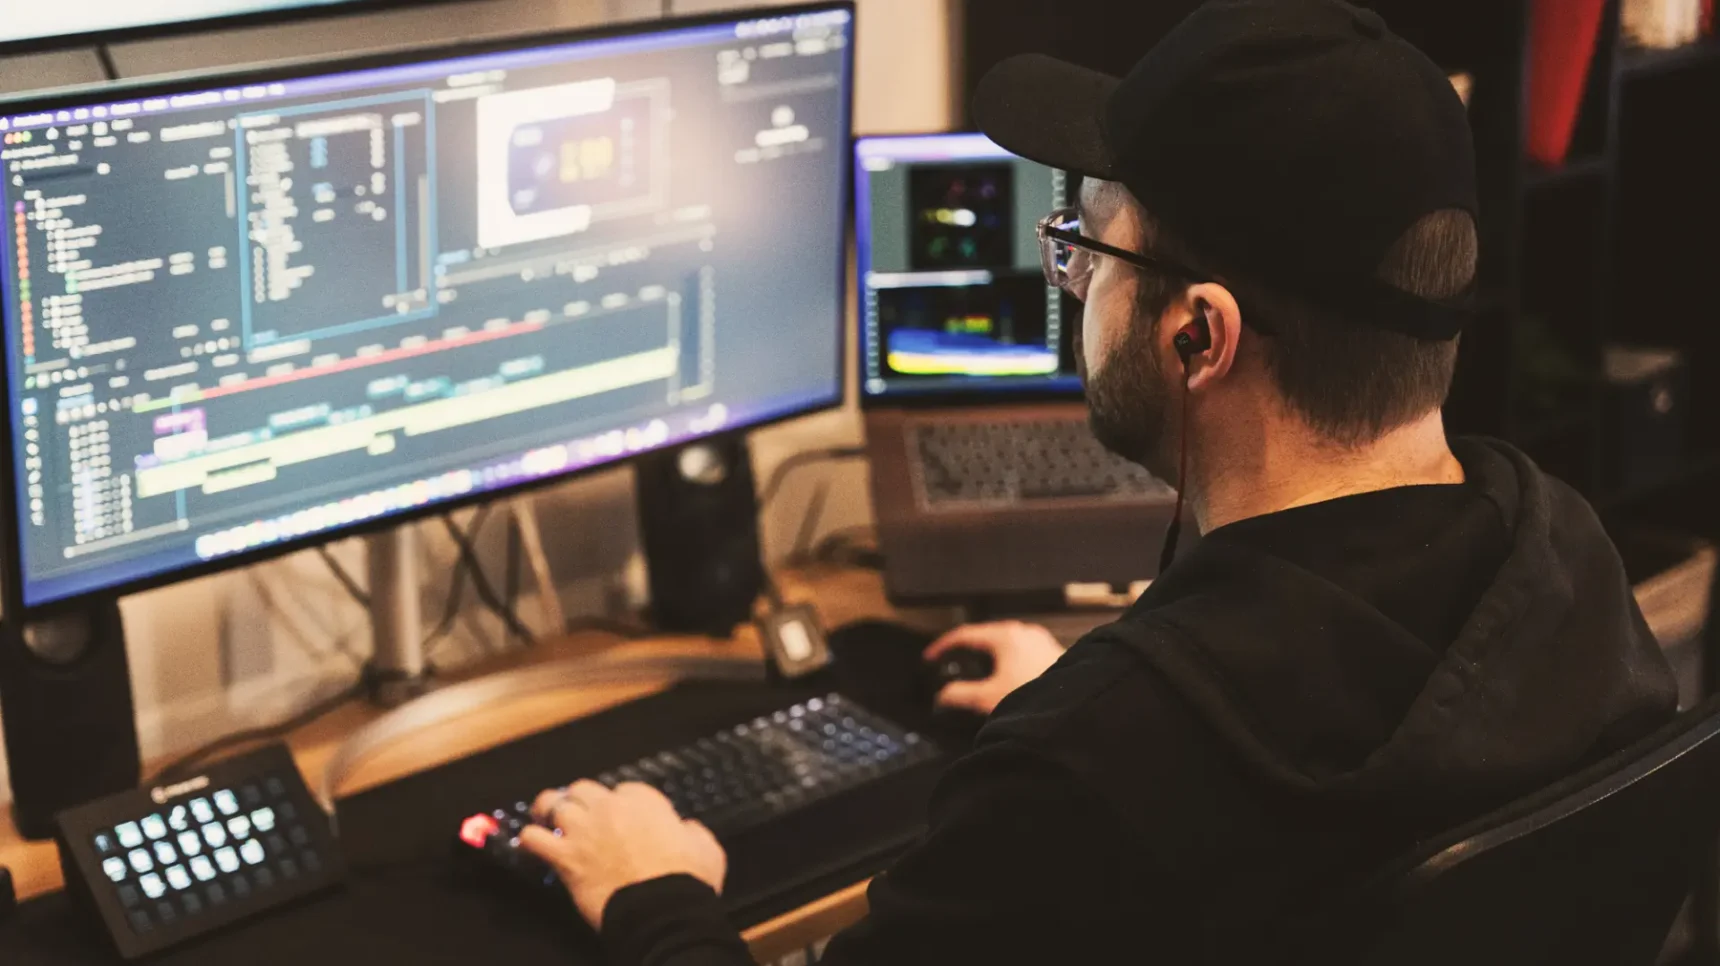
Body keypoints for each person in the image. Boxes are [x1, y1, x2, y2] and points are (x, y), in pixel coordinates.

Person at [519, 1, 1678, 962]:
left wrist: (655, 893)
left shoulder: (1092, 769)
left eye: (1086, 245)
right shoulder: (1565, 564)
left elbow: (1147, 775)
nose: (1069, 281)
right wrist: (1123, 676)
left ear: (1198, 337)